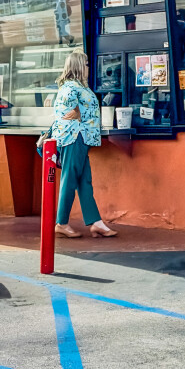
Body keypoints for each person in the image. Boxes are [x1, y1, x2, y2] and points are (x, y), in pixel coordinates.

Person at [43, 51, 115, 238]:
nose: (89, 67)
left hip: (81, 138)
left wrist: (81, 113)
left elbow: (77, 111)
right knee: (70, 179)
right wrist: (80, 114)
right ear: (78, 66)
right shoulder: (70, 88)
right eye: (86, 63)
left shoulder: (78, 86)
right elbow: (67, 114)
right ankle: (61, 222)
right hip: (74, 138)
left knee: (84, 181)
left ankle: (96, 222)